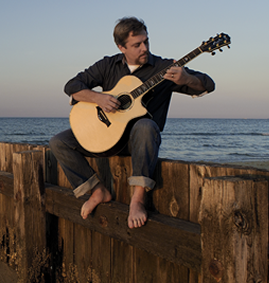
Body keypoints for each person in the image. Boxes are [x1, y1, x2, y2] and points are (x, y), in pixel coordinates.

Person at [49, 17, 215, 229]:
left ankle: (137, 201)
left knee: (145, 125)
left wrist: (187, 80)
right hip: (106, 137)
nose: (144, 48)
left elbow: (208, 85)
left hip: (138, 143)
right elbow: (72, 85)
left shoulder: (165, 68)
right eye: (137, 45)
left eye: (146, 41)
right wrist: (98, 98)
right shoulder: (108, 65)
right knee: (59, 141)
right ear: (121, 47)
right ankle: (98, 191)